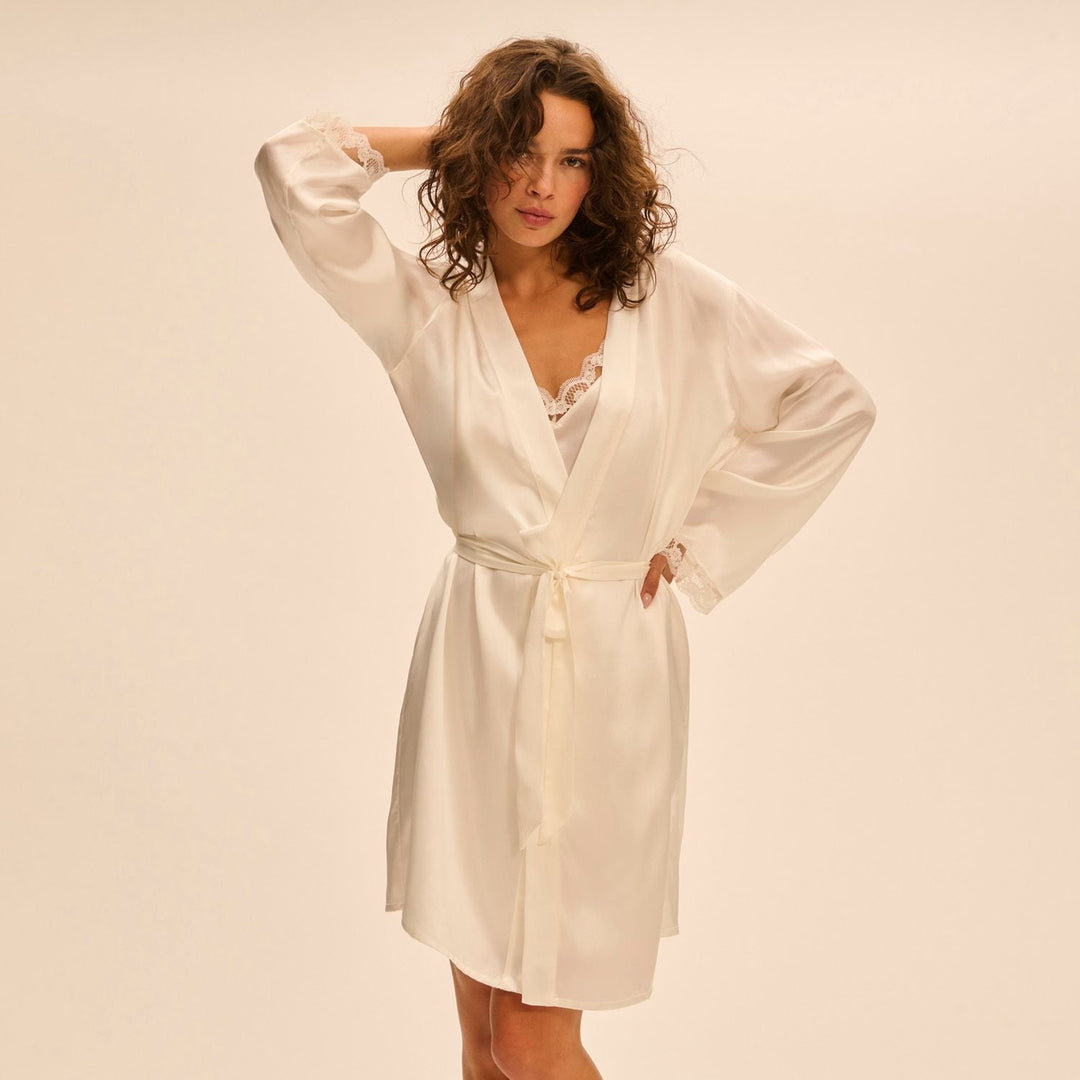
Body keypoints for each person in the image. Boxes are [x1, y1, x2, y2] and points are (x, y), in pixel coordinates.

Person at [254, 35, 876, 1080]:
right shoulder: (427, 312)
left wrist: (699, 541)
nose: (543, 184)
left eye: (574, 159)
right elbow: (291, 169)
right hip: (476, 664)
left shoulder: (668, 300)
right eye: (521, 152)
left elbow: (833, 402)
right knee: (483, 1046)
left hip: (610, 680)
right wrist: (457, 140)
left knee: (533, 1042)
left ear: (603, 173)